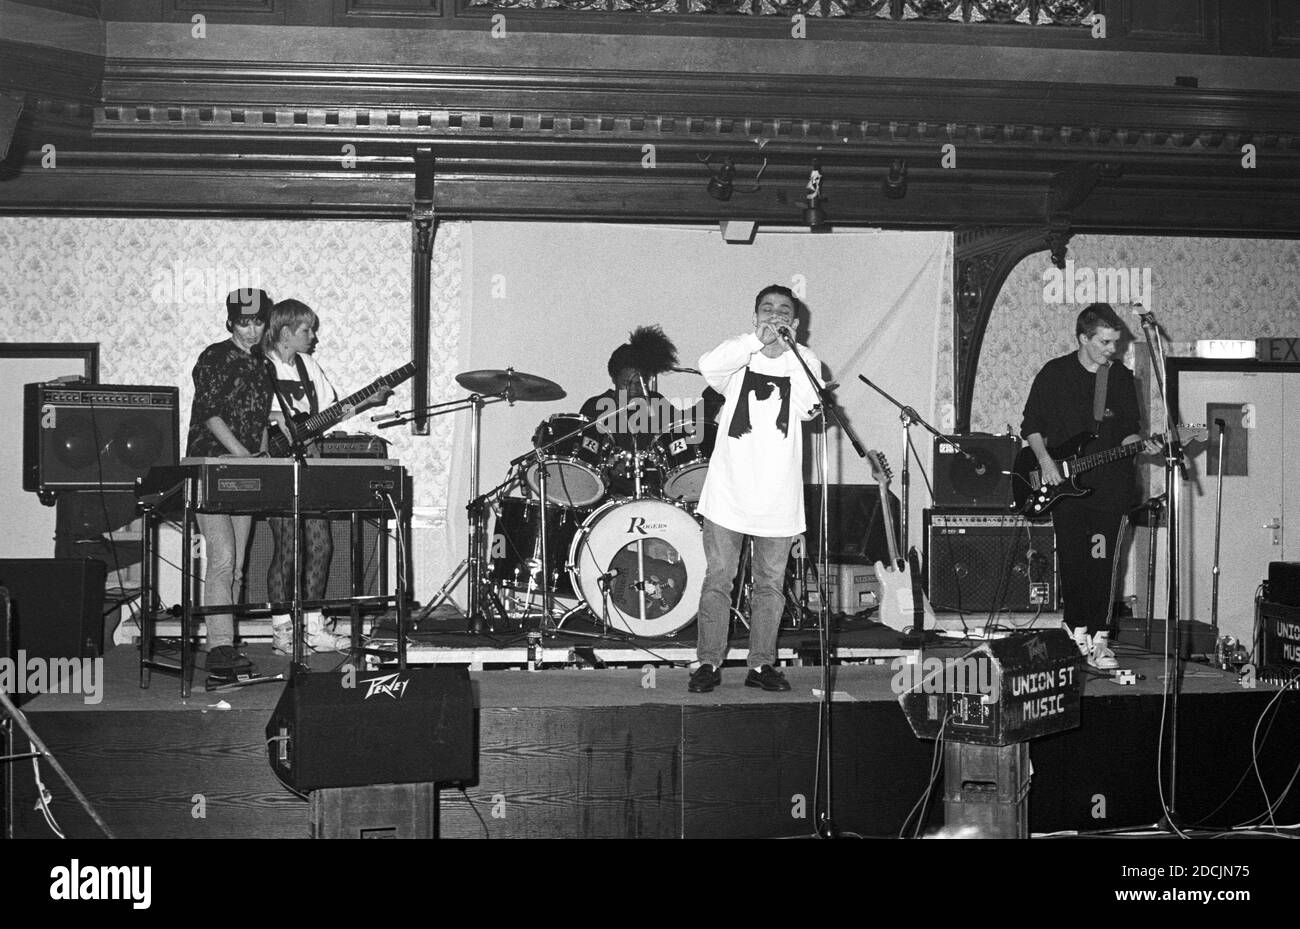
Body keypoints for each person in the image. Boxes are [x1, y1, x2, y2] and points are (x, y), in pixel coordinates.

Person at [689, 285, 824, 693]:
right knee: (719, 577)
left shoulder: (807, 361)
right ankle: (707, 663)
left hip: (778, 497)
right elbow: (707, 366)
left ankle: (762, 664)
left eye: (784, 311)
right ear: (754, 317)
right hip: (729, 491)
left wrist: (792, 353)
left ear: (795, 323)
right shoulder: (739, 352)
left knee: (770, 585)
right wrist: (755, 341)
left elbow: (810, 407)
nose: (774, 315)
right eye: (766, 309)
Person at [1021, 303, 1160, 669]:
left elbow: (1130, 428)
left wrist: (1143, 444)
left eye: (1115, 342)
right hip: (1065, 489)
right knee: (1073, 562)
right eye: (1104, 342)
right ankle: (1074, 632)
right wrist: (1046, 462)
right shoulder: (1055, 373)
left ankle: (1100, 638)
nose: (1111, 349)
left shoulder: (1119, 378)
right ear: (1083, 338)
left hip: (1111, 490)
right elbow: (1031, 425)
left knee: (1102, 566)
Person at [260, 298, 391, 655]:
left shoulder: (308, 366)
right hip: (275, 465)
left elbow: (329, 414)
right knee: (287, 547)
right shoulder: (258, 365)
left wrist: (368, 402)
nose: (313, 336)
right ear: (285, 332)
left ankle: (314, 627)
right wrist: (277, 421)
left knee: (321, 544)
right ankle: (282, 630)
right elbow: (250, 411)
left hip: (310, 459)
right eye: (306, 330)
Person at [186, 288, 274, 681]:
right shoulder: (214, 356)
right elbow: (209, 414)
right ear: (230, 322)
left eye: (257, 322)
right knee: (221, 560)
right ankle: (219, 647)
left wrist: (263, 454)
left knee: (237, 566)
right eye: (244, 322)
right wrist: (241, 453)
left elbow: (258, 420)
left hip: (246, 468)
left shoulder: (263, 365)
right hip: (214, 467)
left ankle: (225, 644)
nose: (252, 330)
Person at [579, 325, 681, 499]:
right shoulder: (595, 407)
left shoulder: (657, 403)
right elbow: (585, 457)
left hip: (657, 496)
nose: (634, 390)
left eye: (639, 384)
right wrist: (609, 467)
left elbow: (681, 439)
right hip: (608, 496)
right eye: (627, 384)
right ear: (614, 378)